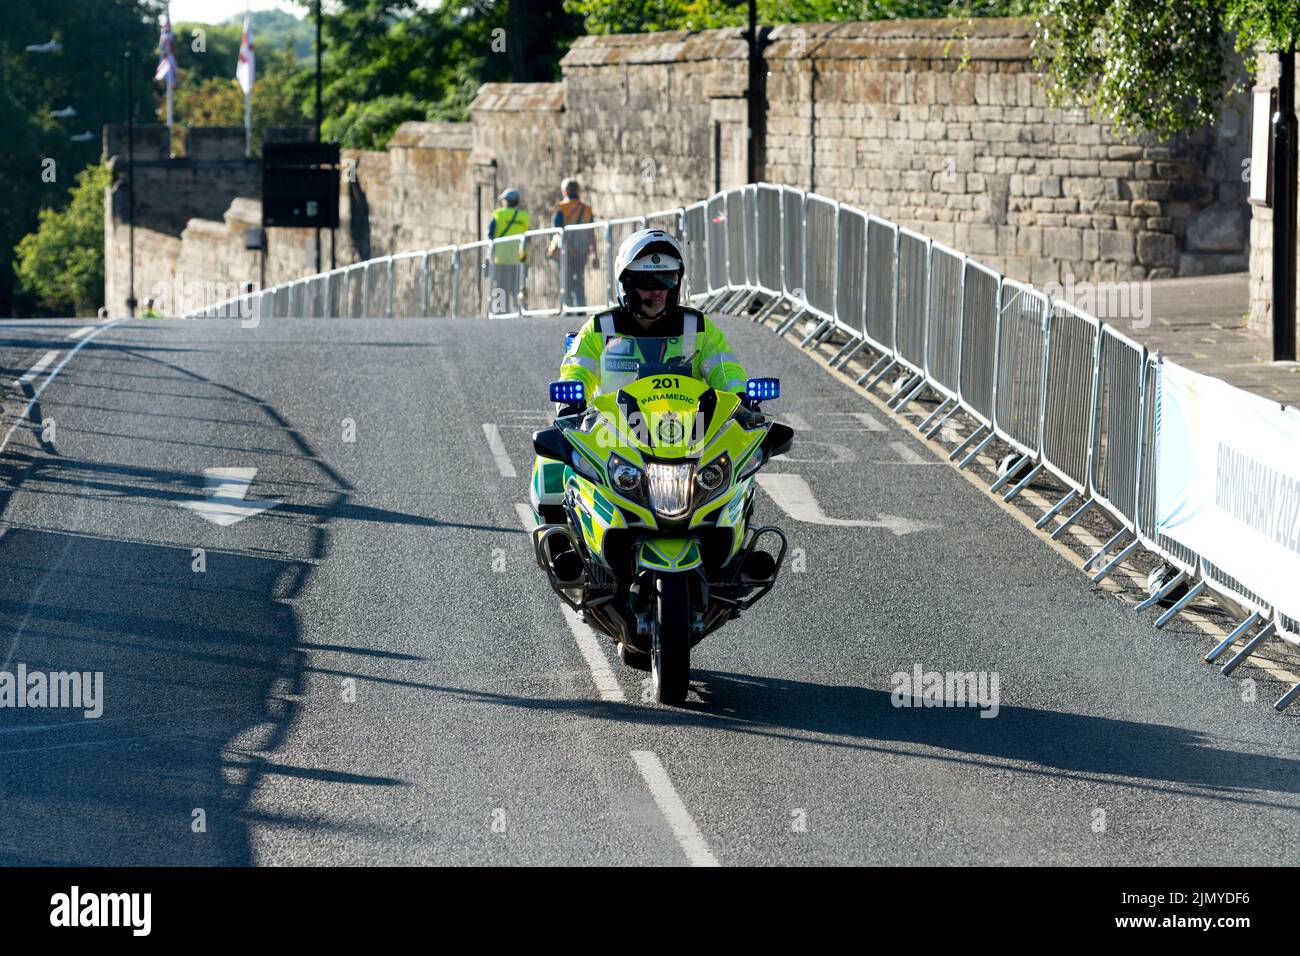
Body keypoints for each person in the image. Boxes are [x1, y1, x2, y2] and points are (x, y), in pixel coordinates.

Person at [530, 228, 754, 524]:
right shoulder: (600, 327)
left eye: (667, 279)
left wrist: (742, 400)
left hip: (689, 436)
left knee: (740, 476)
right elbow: (576, 371)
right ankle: (566, 541)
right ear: (626, 285)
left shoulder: (697, 327)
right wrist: (571, 401)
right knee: (553, 468)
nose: (658, 290)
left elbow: (727, 371)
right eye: (647, 282)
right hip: (616, 437)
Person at [550, 178, 598, 309]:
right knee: (579, 279)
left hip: (565, 251)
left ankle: (567, 307)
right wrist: (595, 255)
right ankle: (581, 308)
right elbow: (591, 233)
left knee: (565, 280)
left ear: (564, 191)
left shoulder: (560, 208)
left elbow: (555, 230)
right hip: (582, 251)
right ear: (577, 191)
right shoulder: (587, 209)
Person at [486, 187, 530, 314]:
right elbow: (529, 237)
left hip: (501, 257)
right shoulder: (525, 216)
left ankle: (500, 311)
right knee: (519, 285)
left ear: (506, 201)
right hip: (520, 258)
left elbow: (490, 234)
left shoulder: (498, 214)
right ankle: (522, 309)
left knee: (500, 285)